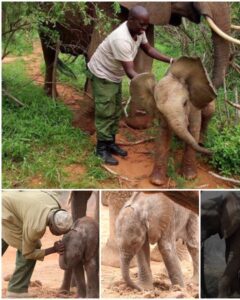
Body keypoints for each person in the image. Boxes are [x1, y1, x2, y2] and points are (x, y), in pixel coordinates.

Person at [88, 5, 174, 165]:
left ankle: (110, 143)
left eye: (146, 25)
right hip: (102, 74)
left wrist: (170, 60)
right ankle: (101, 150)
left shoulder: (138, 31)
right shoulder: (121, 39)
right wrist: (151, 89)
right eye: (142, 24)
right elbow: (130, 72)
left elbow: (148, 49)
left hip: (114, 75)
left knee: (114, 110)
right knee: (105, 111)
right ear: (130, 20)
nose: (144, 28)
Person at [2, 191, 73, 298]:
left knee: (5, 234)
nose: (60, 234)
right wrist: (54, 249)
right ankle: (17, 290)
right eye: (59, 232)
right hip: (5, 211)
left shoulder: (54, 203)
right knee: (33, 246)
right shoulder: (35, 228)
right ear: (53, 225)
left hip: (9, 200)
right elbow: (28, 253)